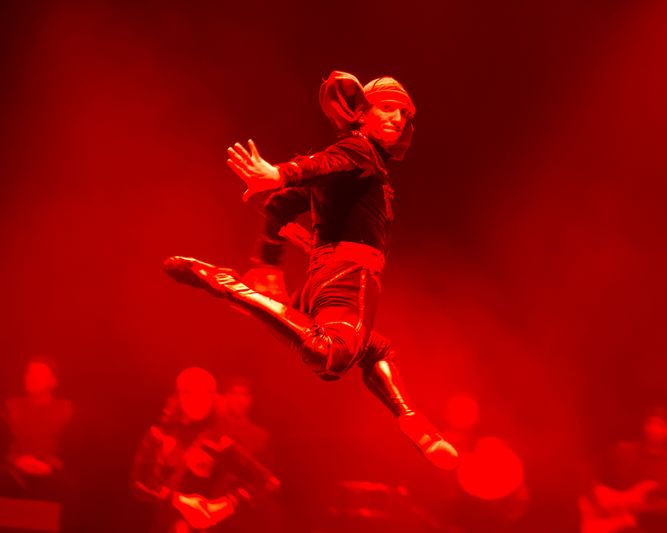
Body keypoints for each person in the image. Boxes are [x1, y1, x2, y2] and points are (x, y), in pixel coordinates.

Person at [164, 71, 459, 470]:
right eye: (387, 108)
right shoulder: (360, 151)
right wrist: (280, 173)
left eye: (403, 114)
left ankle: (412, 420)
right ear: (361, 114)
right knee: (331, 356)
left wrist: (268, 263)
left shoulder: (360, 167)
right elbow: (326, 162)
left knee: (370, 351)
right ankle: (227, 285)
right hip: (349, 277)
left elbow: (280, 205)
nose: (397, 118)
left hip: (325, 276)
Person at [131, 367, 279, 532]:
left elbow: (266, 481)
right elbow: (139, 484)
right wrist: (178, 500)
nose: (198, 399)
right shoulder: (159, 435)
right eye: (189, 392)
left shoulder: (218, 441)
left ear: (213, 397)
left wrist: (224, 506)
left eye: (206, 393)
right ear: (179, 396)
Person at [583, 407, 667, 533]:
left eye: (661, 425)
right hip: (615, 525)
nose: (654, 429)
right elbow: (587, 473)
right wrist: (601, 493)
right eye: (651, 423)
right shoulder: (623, 451)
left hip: (655, 527)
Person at [0, 355, 73, 500]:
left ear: (53, 381)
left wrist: (49, 465)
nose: (32, 378)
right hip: (12, 474)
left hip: (54, 477)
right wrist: (17, 461)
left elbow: (72, 450)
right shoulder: (10, 407)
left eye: (40, 374)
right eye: (29, 373)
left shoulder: (66, 410)